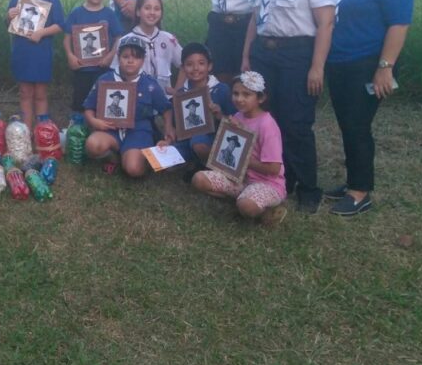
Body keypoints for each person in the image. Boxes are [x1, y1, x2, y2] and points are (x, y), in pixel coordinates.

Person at [241, 0, 336, 213]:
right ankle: (280, 178)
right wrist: (246, 56)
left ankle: (308, 187)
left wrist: (317, 66)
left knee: (296, 122)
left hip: (297, 53)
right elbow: (255, 18)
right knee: (268, 119)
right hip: (263, 53)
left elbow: (325, 25)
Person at [324, 0, 414, 216]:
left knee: (357, 125)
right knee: (347, 123)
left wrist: (385, 66)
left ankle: (360, 191)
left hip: (368, 64)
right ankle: (352, 180)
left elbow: (398, 25)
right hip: (337, 62)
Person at [192, 71, 287, 225]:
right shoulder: (238, 116)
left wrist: (244, 159)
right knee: (199, 179)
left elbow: (274, 169)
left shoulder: (267, 125)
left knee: (247, 206)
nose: (239, 99)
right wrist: (220, 117)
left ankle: (267, 208)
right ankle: (243, 198)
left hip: (266, 183)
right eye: (235, 93)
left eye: (246, 95)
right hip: (240, 179)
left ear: (261, 98)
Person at [84, 36, 172, 178]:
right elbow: (89, 107)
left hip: (139, 131)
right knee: (93, 145)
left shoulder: (149, 84)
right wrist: (94, 122)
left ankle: (137, 156)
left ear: (143, 60)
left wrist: (168, 129)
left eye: (136, 57)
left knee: (133, 169)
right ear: (118, 57)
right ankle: (114, 157)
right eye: (126, 56)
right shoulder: (105, 80)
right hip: (110, 129)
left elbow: (166, 109)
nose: (130, 60)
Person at [6, 0, 65, 131]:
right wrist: (9, 15)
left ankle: (42, 132)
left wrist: (42, 32)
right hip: (22, 52)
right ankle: (26, 132)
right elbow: (8, 24)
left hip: (41, 53)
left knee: (40, 94)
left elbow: (61, 24)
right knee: (24, 93)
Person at [166, 43, 237, 179]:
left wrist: (219, 114)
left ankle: (207, 166)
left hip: (210, 138)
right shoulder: (181, 93)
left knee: (198, 143)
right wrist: (170, 137)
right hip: (186, 140)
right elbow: (178, 125)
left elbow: (235, 120)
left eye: (201, 63)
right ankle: (191, 160)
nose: (196, 68)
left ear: (209, 66)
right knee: (166, 163)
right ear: (183, 68)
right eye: (189, 64)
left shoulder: (221, 89)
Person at [62, 0, 123, 112]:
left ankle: (99, 128)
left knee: (101, 101)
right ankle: (78, 128)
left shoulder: (109, 14)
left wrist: (110, 56)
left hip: (102, 69)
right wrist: (70, 56)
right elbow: (67, 38)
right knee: (80, 100)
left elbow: (118, 38)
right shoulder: (76, 13)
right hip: (81, 69)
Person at [112, 0, 182, 97]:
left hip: (164, 101)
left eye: (157, 9)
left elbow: (184, 63)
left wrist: (177, 90)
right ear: (138, 12)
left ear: (161, 13)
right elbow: (114, 73)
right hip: (136, 101)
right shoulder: (125, 41)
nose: (152, 12)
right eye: (147, 8)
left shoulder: (169, 39)